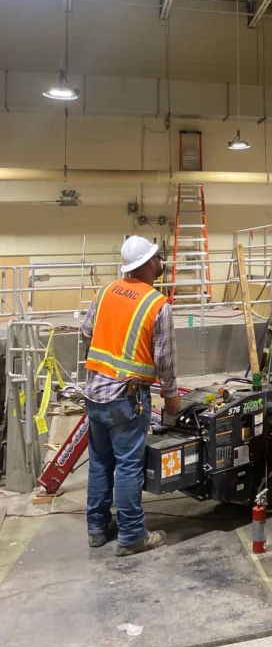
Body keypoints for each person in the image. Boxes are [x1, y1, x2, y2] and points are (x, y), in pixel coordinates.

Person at [81, 235, 180, 555]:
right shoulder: (156, 304)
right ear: (148, 264)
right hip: (127, 398)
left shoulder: (106, 291)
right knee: (127, 465)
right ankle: (132, 535)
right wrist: (171, 394)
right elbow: (164, 359)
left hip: (95, 393)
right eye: (157, 257)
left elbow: (86, 333)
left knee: (99, 462)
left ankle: (96, 528)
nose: (160, 261)